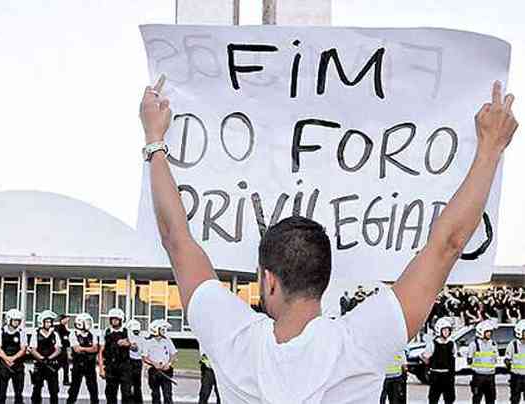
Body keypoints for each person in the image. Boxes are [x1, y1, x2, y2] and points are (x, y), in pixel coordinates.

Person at [139, 76, 518, 403]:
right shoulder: (361, 341)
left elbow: (177, 239)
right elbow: (447, 245)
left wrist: (155, 139)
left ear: (269, 280)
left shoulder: (233, 338)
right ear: (323, 278)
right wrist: (489, 150)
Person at [0, 308, 28, 404]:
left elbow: (23, 349)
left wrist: (13, 358)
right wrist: (6, 359)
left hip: (18, 365)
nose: (17, 322)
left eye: (18, 320)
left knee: (18, 392)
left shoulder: (22, 332)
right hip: (4, 366)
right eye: (15, 320)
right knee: (2, 391)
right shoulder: (0, 331)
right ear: (9, 320)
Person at [98, 308, 132, 404]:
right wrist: (101, 368)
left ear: (121, 320)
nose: (114, 321)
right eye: (112, 319)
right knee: (110, 394)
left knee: (127, 393)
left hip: (125, 366)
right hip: (111, 366)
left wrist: (127, 343)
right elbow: (101, 351)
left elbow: (135, 347)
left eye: (116, 319)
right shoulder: (106, 332)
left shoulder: (127, 331)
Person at [29, 310, 61, 404]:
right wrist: (42, 358)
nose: (49, 324)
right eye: (47, 322)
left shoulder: (55, 334)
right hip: (40, 366)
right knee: (37, 389)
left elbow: (58, 349)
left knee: (54, 390)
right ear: (41, 322)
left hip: (51, 366)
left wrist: (50, 358)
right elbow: (33, 349)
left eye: (50, 322)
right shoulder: (36, 334)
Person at [422, 317, 456, 404]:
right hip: (436, 375)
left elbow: (453, 357)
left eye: (448, 330)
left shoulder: (452, 344)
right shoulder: (432, 344)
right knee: (433, 398)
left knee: (449, 398)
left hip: (448, 375)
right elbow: (425, 357)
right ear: (438, 330)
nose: (447, 332)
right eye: (444, 330)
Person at [67, 313, 99, 404]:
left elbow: (95, 348)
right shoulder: (73, 334)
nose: (89, 324)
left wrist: (83, 349)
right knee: (74, 389)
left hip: (90, 365)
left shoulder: (92, 335)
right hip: (78, 365)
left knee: (93, 389)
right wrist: (89, 349)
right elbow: (76, 349)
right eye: (87, 322)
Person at [142, 320, 177, 404]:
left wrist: (169, 364)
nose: (164, 331)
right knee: (155, 395)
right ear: (155, 330)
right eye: (162, 329)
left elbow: (174, 354)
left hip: (166, 371)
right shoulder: (148, 341)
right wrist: (154, 364)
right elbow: (144, 357)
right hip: (154, 371)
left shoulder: (167, 340)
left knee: (167, 394)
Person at [468, 320, 499, 404]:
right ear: (481, 332)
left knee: (491, 399)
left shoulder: (493, 344)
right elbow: (469, 359)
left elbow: (496, 358)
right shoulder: (474, 345)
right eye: (487, 332)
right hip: (478, 376)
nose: (489, 334)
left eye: (490, 332)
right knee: (477, 398)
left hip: (490, 376)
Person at [505, 320, 525, 404]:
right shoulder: (513, 345)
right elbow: (507, 360)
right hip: (517, 377)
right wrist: (511, 369)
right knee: (515, 399)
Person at [54, 314, 71, 386]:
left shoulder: (63, 327)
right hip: (61, 348)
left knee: (65, 365)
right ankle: (51, 376)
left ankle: (65, 380)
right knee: (61, 365)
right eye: (66, 319)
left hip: (64, 348)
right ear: (62, 319)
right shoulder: (58, 327)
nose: (67, 321)